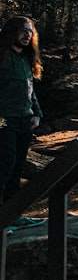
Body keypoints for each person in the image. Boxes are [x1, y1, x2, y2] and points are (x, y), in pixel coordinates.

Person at [0, 15, 45, 228]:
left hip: (24, 122)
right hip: (3, 122)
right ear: (11, 32)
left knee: (17, 169)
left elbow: (30, 91)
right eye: (22, 30)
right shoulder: (2, 57)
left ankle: (13, 217)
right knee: (4, 167)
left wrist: (37, 113)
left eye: (30, 31)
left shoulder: (27, 60)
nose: (27, 34)